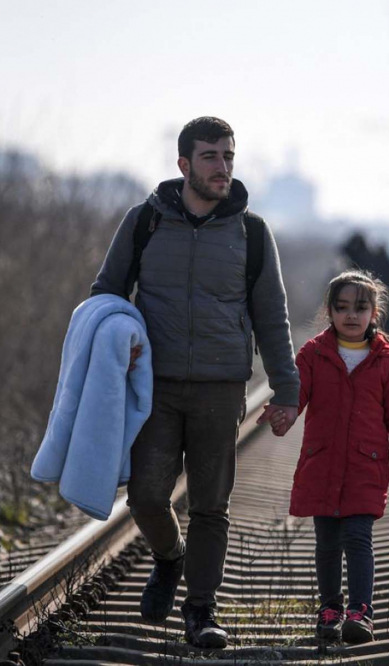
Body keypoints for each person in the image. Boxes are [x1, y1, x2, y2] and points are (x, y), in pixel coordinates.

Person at [90, 116, 300, 649]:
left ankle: (201, 609)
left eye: (228, 156)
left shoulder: (252, 233)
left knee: (210, 504)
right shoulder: (145, 222)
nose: (222, 166)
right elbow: (106, 296)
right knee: (145, 496)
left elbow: (272, 317)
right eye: (210, 156)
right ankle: (168, 557)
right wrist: (113, 346)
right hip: (153, 387)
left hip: (220, 387)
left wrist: (287, 388)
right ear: (184, 164)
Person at [268, 270, 389, 645]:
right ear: (330, 312)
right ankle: (330, 607)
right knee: (327, 542)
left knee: (357, 537)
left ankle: (360, 610)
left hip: (364, 467)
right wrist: (284, 413)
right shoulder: (314, 355)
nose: (351, 315)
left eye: (360, 308)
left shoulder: (386, 363)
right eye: (342, 308)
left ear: (374, 313)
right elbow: (296, 393)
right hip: (322, 464)